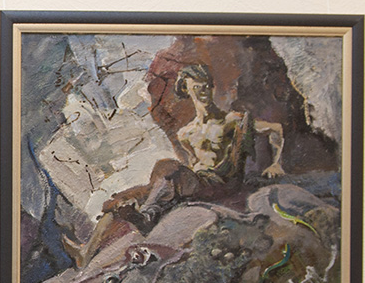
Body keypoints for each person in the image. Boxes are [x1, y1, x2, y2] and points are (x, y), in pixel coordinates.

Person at [65, 64, 285, 268]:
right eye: (197, 88)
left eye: (206, 86)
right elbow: (190, 167)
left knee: (167, 166)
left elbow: (277, 130)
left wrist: (277, 163)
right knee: (122, 198)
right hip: (194, 183)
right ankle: (86, 252)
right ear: (188, 91)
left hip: (219, 182)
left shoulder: (233, 120)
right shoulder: (186, 133)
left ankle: (147, 216)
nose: (203, 92)